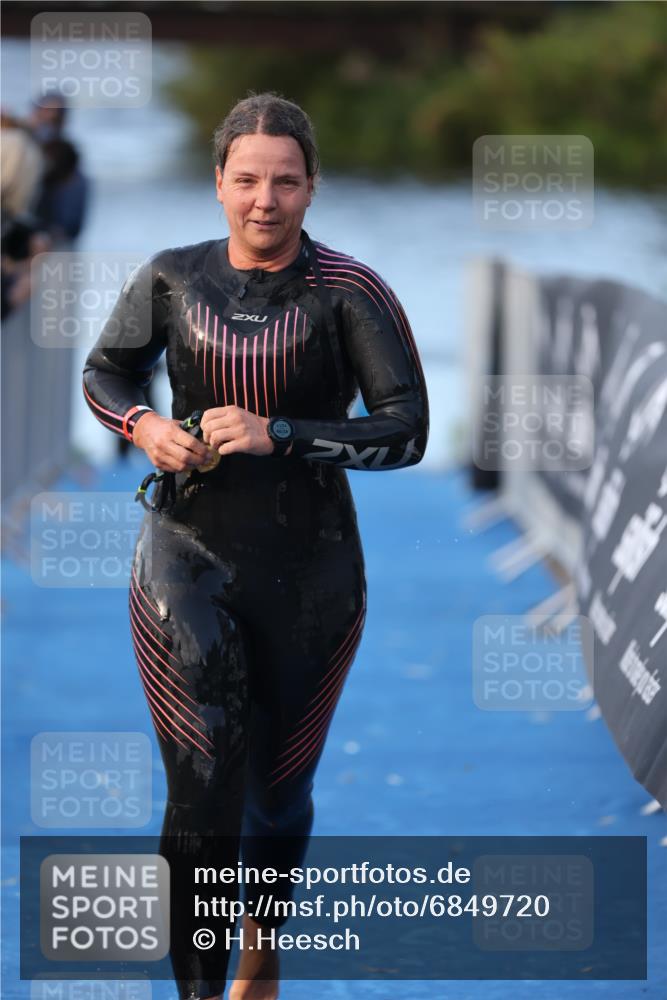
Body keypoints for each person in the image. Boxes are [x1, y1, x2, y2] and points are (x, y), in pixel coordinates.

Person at [82, 92, 429, 1000]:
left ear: (311, 187)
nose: (263, 200)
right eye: (245, 180)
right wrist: (145, 422)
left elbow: (408, 431)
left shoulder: (349, 293)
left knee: (275, 792)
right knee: (201, 780)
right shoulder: (171, 278)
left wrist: (282, 432)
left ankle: (261, 941)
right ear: (218, 184)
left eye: (283, 181)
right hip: (183, 556)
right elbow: (105, 369)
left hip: (311, 570)